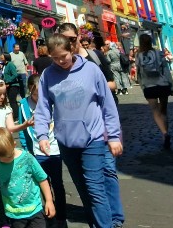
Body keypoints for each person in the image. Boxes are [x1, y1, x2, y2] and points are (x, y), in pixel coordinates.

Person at [35, 34, 124, 228]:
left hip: (94, 138)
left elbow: (107, 105)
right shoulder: (48, 75)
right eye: (55, 58)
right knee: (82, 188)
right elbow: (42, 107)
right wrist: (42, 135)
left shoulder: (91, 70)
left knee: (95, 188)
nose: (60, 61)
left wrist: (114, 136)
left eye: (64, 56)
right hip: (66, 141)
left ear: (72, 50)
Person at [0, 127, 55, 228]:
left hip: (35, 209)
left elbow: (42, 179)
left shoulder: (27, 158)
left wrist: (49, 201)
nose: (6, 160)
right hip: (13, 213)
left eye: (9, 156)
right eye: (1, 159)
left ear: (14, 144)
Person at [19, 75, 67, 228]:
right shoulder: (24, 104)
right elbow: (22, 129)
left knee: (58, 184)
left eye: (41, 93)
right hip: (36, 152)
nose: (38, 97)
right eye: (35, 94)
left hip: (55, 149)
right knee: (41, 184)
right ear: (30, 90)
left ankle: (61, 217)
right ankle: (47, 215)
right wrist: (27, 150)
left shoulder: (51, 100)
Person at [136, 33, 173, 149]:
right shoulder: (158, 54)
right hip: (162, 84)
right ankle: (165, 134)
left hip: (149, 86)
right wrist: (171, 86)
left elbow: (139, 73)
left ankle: (164, 133)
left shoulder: (138, 56)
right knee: (163, 111)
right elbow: (165, 71)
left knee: (155, 112)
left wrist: (142, 85)